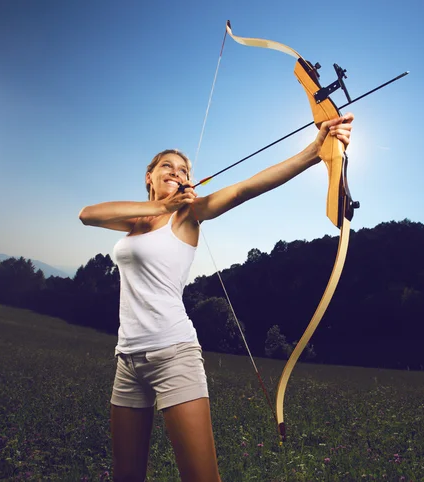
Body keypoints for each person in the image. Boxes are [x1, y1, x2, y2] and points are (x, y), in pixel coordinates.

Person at [78, 112, 354, 482]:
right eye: (167, 167)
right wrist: (161, 206)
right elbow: (87, 214)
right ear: (150, 175)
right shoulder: (137, 220)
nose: (176, 173)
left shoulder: (190, 215)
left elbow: (245, 188)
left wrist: (312, 152)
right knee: (126, 477)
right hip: (127, 361)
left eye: (182, 170)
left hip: (173, 355)